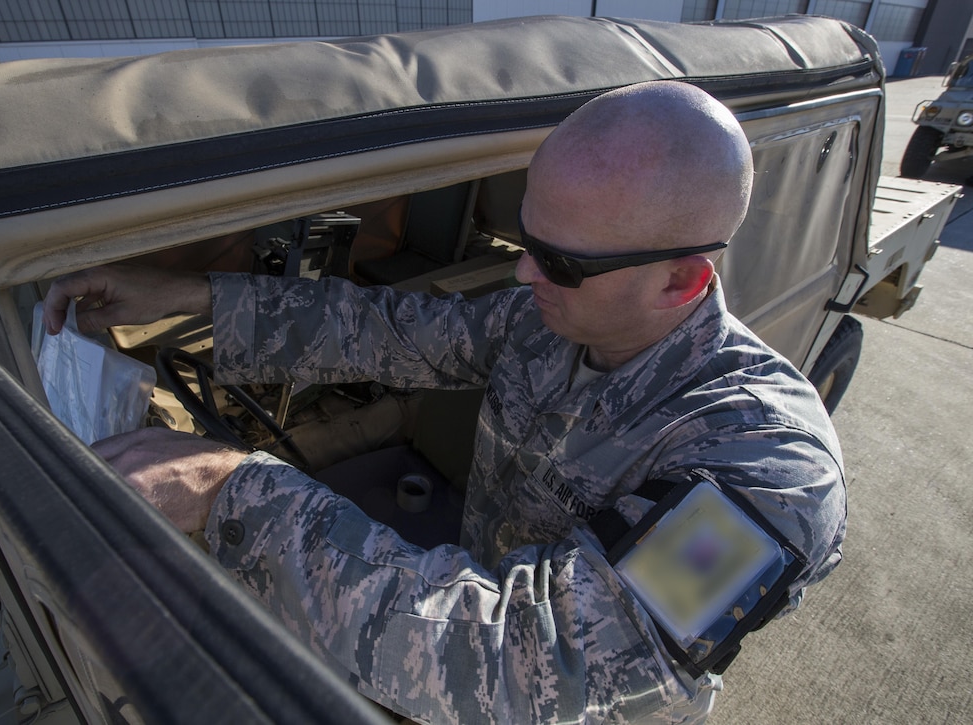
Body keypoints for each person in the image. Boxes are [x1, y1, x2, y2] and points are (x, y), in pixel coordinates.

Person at [43, 80, 846, 723]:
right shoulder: (543, 318)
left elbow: (540, 663)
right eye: (526, 243)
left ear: (683, 277)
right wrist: (183, 294)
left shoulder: (769, 469)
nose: (526, 276)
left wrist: (231, 488)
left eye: (560, 262)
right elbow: (389, 329)